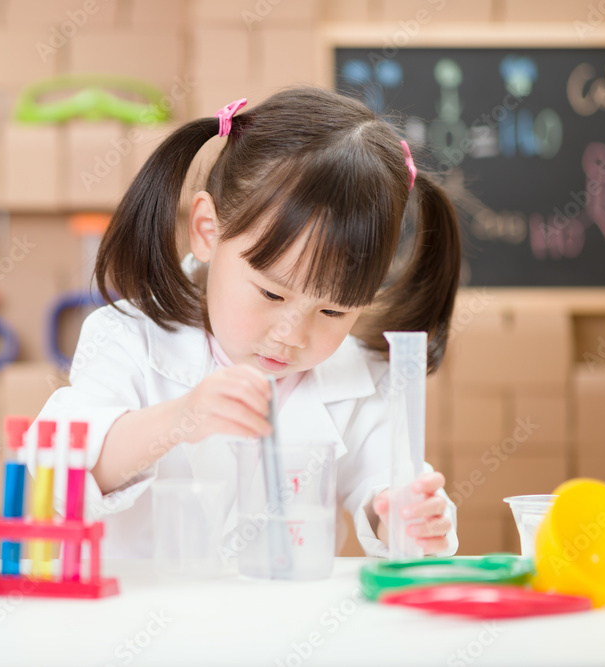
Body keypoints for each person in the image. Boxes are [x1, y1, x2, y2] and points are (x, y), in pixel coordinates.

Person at [35, 87, 462, 559]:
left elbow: (388, 487)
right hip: (135, 623)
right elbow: (59, 475)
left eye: (333, 311)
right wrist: (180, 419)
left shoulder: (358, 379)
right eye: (272, 293)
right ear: (207, 231)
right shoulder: (127, 339)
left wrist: (408, 520)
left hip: (286, 628)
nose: (292, 335)